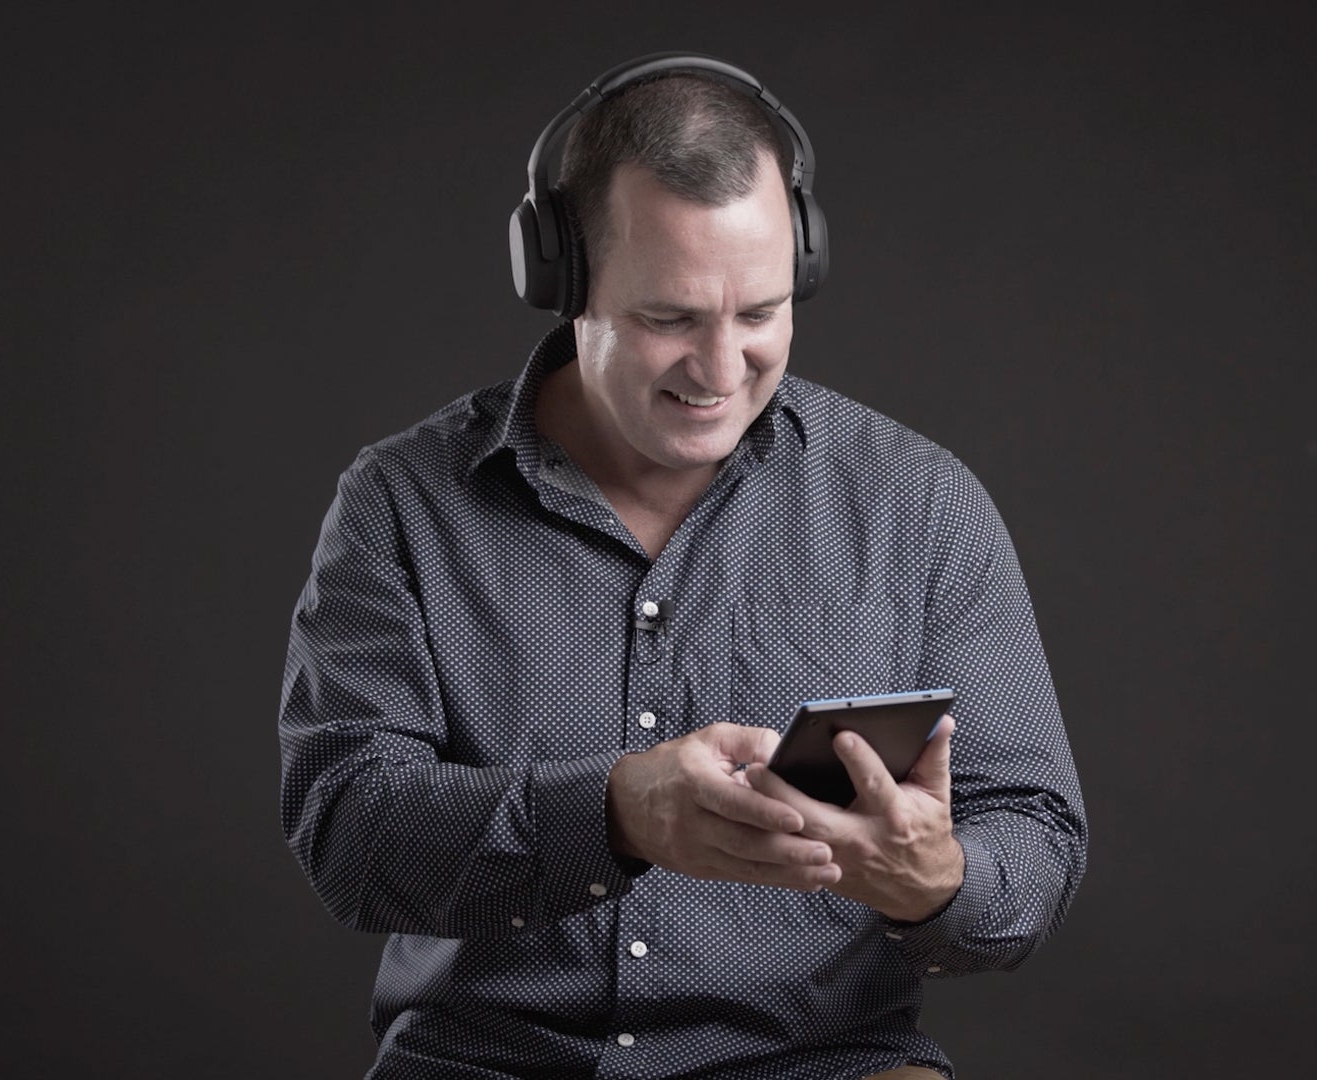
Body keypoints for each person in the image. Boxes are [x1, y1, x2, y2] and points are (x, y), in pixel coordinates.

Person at [279, 53, 1086, 1080]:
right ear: (563, 282)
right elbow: (351, 836)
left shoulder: (920, 507)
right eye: (668, 320)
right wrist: (614, 814)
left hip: (822, 1063)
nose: (719, 370)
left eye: (760, 315)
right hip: (490, 1061)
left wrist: (936, 878)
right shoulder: (402, 502)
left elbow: (1038, 841)